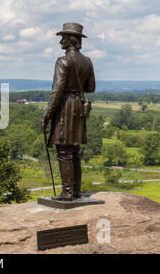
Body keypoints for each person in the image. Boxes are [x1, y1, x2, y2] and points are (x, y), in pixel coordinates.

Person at [41, 22, 96, 201]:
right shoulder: (87, 61)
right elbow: (91, 87)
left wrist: (47, 116)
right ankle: (76, 191)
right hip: (78, 106)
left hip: (65, 107)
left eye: (63, 38)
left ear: (71, 40)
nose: (60, 43)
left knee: (64, 151)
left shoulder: (62, 61)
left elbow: (57, 91)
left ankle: (67, 193)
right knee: (74, 151)